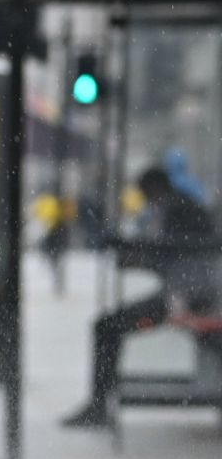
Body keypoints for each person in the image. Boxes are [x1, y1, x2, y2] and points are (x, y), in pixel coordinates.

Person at [62, 164, 218, 428]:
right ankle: (99, 404)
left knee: (107, 327)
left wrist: (131, 247)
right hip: (188, 293)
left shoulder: (179, 209)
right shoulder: (179, 206)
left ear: (154, 188)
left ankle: (99, 405)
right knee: (109, 326)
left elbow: (178, 250)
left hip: (191, 297)